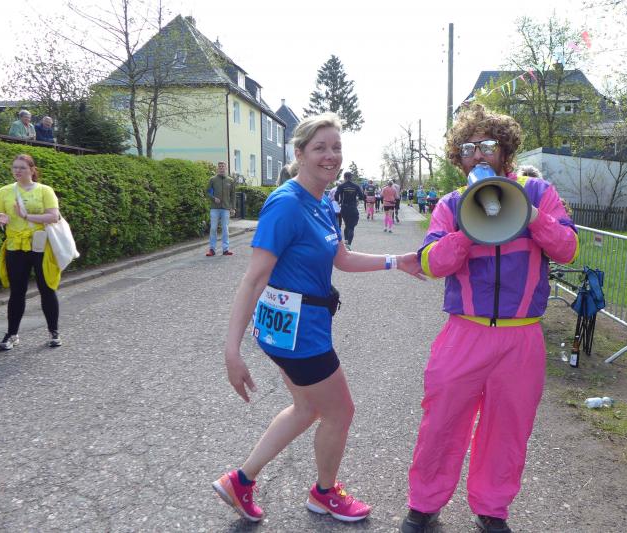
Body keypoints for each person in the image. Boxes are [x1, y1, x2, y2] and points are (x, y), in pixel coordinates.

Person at [213, 112, 423, 524]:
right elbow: (253, 278)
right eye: (320, 148)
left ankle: (240, 481)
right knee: (340, 412)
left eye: (336, 147)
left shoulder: (323, 201)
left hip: (295, 329)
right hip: (299, 335)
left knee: (306, 408)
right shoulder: (286, 204)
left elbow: (341, 258)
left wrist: (396, 261)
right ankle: (324, 494)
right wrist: (231, 351)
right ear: (299, 153)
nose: (331, 156)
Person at [400, 104, 578, 533]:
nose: (478, 155)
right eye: (468, 148)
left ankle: (492, 508)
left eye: (488, 146)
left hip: (521, 338)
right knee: (441, 423)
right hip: (464, 332)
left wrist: (529, 215)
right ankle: (424, 504)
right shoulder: (451, 204)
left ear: (506, 151)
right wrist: (468, 228)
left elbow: (568, 248)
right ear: (458, 158)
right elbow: (432, 264)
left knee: (508, 429)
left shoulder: (539, 193)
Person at [0, 154, 63, 351]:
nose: (17, 171)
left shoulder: (45, 190)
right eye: (14, 167)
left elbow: (53, 216)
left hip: (40, 245)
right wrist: (0, 220)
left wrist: (26, 215)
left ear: (32, 170)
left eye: (22, 167)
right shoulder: (4, 192)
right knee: (17, 292)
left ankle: (54, 331)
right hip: (15, 246)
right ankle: (12, 334)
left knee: (47, 289)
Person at [206, 161, 237, 256]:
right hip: (214, 208)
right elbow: (207, 192)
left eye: (223, 166)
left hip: (226, 208)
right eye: (219, 166)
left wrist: (233, 208)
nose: (221, 168)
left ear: (226, 168)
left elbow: (233, 195)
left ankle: (225, 249)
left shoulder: (230, 180)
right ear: (217, 168)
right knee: (213, 228)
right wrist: (213, 198)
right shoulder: (212, 179)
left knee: (225, 229)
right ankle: (212, 249)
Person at [334, 171, 364, 250]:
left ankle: (346, 242)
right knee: (351, 227)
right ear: (351, 177)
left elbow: (336, 196)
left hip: (344, 208)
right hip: (353, 208)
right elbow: (362, 197)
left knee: (347, 225)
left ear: (344, 177)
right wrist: (357, 199)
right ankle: (348, 244)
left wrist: (339, 202)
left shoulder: (341, 186)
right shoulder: (356, 186)